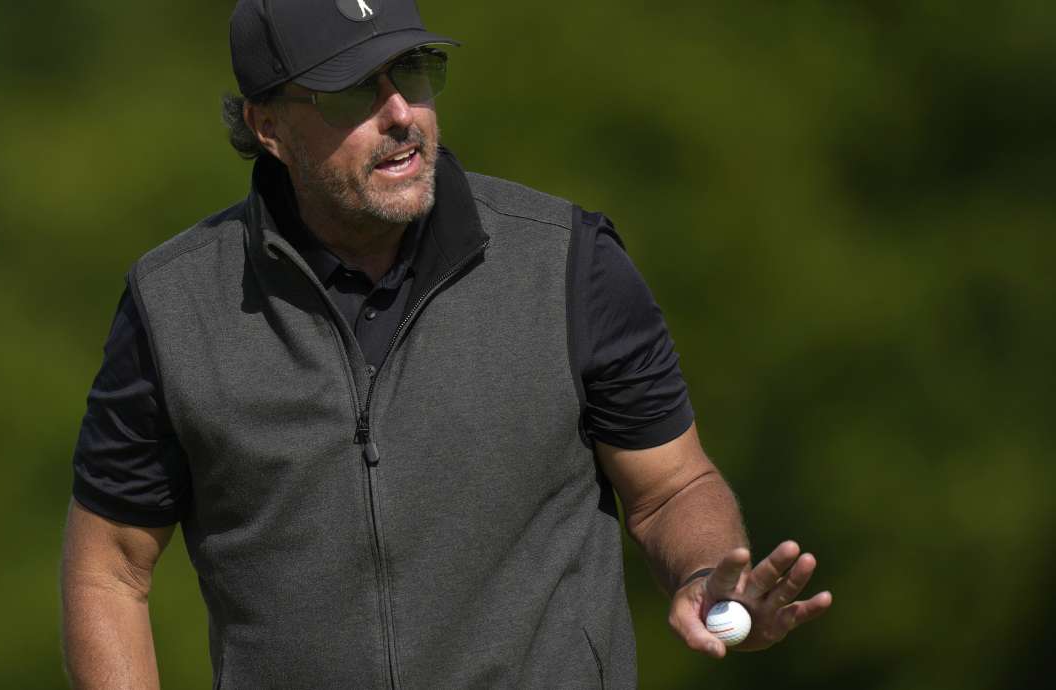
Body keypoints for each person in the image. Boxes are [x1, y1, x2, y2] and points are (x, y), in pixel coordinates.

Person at [59, 1, 833, 688]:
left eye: (412, 70)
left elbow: (671, 487)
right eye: (352, 89)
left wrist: (704, 572)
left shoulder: (571, 263)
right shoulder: (175, 306)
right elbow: (109, 571)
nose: (400, 112)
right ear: (269, 127)